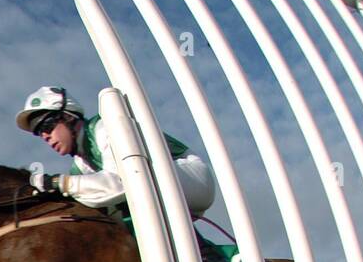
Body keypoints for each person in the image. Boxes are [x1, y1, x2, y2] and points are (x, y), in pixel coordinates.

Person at [17, 85, 216, 217]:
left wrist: (60, 183)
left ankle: (209, 258)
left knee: (131, 191)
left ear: (68, 116)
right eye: (38, 133)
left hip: (191, 175)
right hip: (164, 185)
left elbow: (123, 182)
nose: (45, 136)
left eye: (47, 126)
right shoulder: (80, 165)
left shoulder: (104, 128)